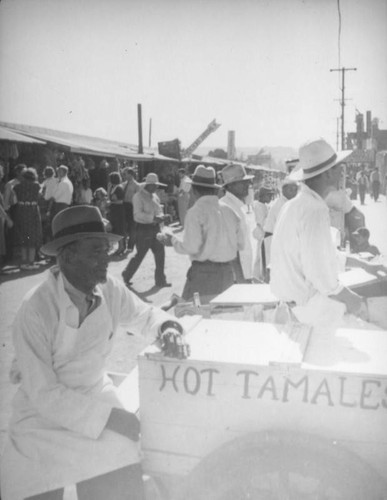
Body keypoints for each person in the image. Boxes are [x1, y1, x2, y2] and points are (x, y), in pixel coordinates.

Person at [0, 205, 187, 500]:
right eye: (96, 252)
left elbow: (145, 315)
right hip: (41, 420)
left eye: (107, 250)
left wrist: (167, 328)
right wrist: (110, 419)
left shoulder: (110, 288)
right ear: (66, 256)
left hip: (94, 395)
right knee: (36, 483)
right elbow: (44, 393)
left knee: (122, 462)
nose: (107, 261)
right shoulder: (35, 308)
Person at [270, 138, 385, 329]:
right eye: (338, 166)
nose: (342, 171)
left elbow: (324, 255)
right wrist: (353, 300)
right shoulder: (315, 209)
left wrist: (366, 265)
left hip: (295, 307)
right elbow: (321, 275)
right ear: (328, 173)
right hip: (311, 310)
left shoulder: (295, 204)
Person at [161, 165, 244, 303]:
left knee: (196, 310)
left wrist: (172, 241)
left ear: (194, 190)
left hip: (203, 276)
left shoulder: (196, 212)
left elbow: (191, 247)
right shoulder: (230, 211)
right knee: (220, 314)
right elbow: (241, 244)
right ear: (214, 189)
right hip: (227, 274)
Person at [121, 173, 171, 288]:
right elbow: (137, 215)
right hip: (144, 229)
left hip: (155, 228)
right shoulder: (138, 196)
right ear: (148, 185)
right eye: (154, 185)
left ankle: (160, 280)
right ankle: (126, 274)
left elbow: (159, 211)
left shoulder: (155, 197)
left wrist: (163, 216)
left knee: (160, 254)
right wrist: (153, 218)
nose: (156, 187)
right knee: (140, 254)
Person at [220, 163, 254, 283]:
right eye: (243, 182)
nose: (247, 185)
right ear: (230, 186)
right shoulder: (226, 207)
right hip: (236, 278)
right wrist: (240, 280)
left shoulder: (238, 206)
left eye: (247, 182)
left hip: (244, 274)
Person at [263, 177, 298, 270]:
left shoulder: (289, 203)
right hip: (274, 240)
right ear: (283, 190)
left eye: (295, 190)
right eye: (291, 190)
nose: (294, 193)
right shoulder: (281, 205)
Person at [13, 167, 43, 270]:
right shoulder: (37, 186)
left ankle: (24, 261)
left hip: (21, 210)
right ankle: (30, 263)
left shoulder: (17, 187)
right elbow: (40, 197)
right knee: (32, 236)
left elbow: (14, 200)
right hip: (32, 210)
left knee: (23, 236)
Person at [252, 186, 273, 281]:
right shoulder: (258, 206)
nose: (270, 198)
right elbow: (262, 223)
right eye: (269, 196)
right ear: (262, 196)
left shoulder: (264, 206)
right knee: (261, 260)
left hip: (266, 238)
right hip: (263, 237)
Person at [122, 167, 140, 252]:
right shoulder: (124, 184)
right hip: (124, 205)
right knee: (124, 226)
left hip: (132, 206)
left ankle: (130, 246)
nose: (125, 176)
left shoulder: (136, 185)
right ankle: (123, 245)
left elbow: (138, 197)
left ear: (131, 175)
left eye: (127, 174)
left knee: (132, 227)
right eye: (125, 174)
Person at [108, 171, 126, 255]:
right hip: (114, 211)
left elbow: (120, 201)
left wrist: (111, 203)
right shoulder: (113, 188)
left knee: (119, 229)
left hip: (118, 211)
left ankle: (121, 246)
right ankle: (120, 246)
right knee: (116, 229)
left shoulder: (119, 188)